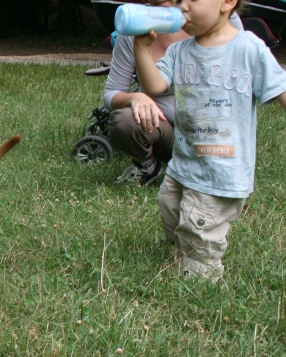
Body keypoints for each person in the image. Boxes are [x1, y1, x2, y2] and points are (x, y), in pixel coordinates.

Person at [133, 0, 286, 282]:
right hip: (184, 164)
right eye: (179, 1)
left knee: (198, 225)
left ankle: (201, 278)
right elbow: (154, 85)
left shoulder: (248, 49)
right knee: (170, 208)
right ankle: (187, 247)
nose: (183, 7)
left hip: (221, 171)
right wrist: (142, 48)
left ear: (227, 2)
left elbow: (280, 88)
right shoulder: (180, 50)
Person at [104, 1, 243, 186]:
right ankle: (148, 166)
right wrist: (135, 97)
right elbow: (113, 92)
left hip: (209, 133)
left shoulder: (219, 18)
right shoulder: (134, 27)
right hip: (164, 129)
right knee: (124, 121)